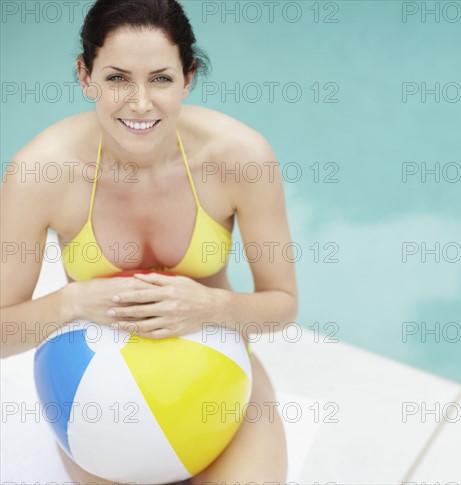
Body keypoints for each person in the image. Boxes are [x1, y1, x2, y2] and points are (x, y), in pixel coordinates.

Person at [0, 0, 298, 483]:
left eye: (160, 78)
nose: (140, 103)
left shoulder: (241, 157)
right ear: (85, 76)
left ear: (188, 77)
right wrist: (73, 301)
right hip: (96, 402)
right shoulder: (39, 174)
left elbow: (283, 304)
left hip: (218, 381)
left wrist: (210, 307)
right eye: (117, 78)